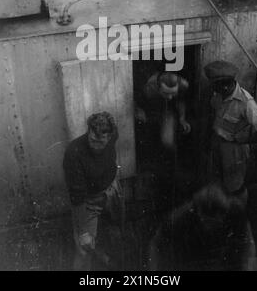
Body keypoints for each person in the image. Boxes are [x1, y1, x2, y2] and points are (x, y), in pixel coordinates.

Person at [63, 112, 123, 271]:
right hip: (88, 200)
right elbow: (77, 196)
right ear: (88, 132)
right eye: (92, 140)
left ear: (109, 137)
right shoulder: (73, 153)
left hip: (111, 189)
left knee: (117, 225)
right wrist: (83, 232)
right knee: (84, 250)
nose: (95, 146)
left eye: (100, 141)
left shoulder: (114, 134)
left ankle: (113, 258)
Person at [204, 60, 257, 201]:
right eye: (216, 86)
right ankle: (224, 212)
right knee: (218, 180)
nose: (219, 89)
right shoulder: (217, 96)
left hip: (235, 149)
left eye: (222, 85)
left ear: (229, 83)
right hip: (218, 143)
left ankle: (239, 216)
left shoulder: (246, 103)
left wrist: (244, 140)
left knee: (235, 186)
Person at [149, 183, 256, 271]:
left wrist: (247, 268)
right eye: (207, 221)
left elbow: (249, 245)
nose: (210, 225)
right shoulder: (180, 218)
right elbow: (156, 243)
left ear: (223, 215)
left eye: (214, 221)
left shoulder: (236, 213)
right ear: (199, 212)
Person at [135, 71, 191, 150]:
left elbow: (180, 101)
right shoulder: (149, 88)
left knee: (168, 141)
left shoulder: (183, 85)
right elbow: (136, 102)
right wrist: (139, 110)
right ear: (158, 88)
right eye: (166, 93)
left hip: (168, 111)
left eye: (173, 93)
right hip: (151, 109)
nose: (170, 97)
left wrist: (182, 118)